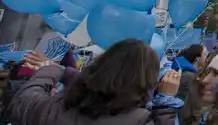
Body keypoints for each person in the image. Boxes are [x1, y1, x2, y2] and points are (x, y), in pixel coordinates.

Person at [9, 38, 183, 124]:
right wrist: (165, 105)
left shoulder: (57, 109)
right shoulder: (138, 120)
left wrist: (52, 70)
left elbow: (24, 99)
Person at [174, 44, 207, 124]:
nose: (206, 58)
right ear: (198, 58)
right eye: (204, 55)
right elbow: (196, 105)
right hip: (185, 119)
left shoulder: (180, 70)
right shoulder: (190, 77)